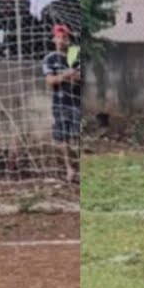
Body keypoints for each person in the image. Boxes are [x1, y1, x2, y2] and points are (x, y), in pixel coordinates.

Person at [42, 24, 81, 183]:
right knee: (63, 137)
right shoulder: (50, 58)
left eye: (64, 37)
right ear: (54, 39)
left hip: (77, 102)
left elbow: (79, 77)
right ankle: (69, 169)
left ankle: (79, 167)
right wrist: (67, 75)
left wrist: (72, 76)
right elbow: (50, 81)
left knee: (78, 136)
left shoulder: (75, 55)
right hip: (60, 102)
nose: (61, 40)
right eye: (58, 37)